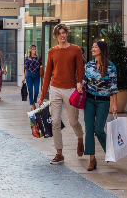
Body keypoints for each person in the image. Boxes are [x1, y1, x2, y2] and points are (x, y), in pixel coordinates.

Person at [37, 23, 84, 165]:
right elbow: (47, 75)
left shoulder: (76, 50)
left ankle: (80, 139)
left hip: (70, 89)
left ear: (67, 33)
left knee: (73, 121)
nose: (62, 35)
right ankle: (59, 153)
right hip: (55, 88)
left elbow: (80, 69)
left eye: (64, 32)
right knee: (55, 121)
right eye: (59, 33)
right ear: (56, 36)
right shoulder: (52, 52)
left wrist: (79, 82)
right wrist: (42, 95)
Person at [83, 41, 118, 171]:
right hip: (89, 100)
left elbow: (113, 87)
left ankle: (110, 151)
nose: (93, 49)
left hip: (103, 101)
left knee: (98, 130)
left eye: (95, 47)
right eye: (92, 47)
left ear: (102, 50)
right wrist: (80, 85)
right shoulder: (89, 65)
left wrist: (114, 104)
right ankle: (92, 159)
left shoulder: (110, 66)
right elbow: (84, 79)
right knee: (89, 129)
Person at [22, 45, 42, 110]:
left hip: (36, 75)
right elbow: (26, 69)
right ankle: (32, 106)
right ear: (30, 50)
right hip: (29, 75)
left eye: (35, 49)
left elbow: (41, 67)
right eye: (33, 49)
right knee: (30, 91)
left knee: (36, 91)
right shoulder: (27, 59)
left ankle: (34, 101)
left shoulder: (38, 58)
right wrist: (24, 78)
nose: (35, 50)